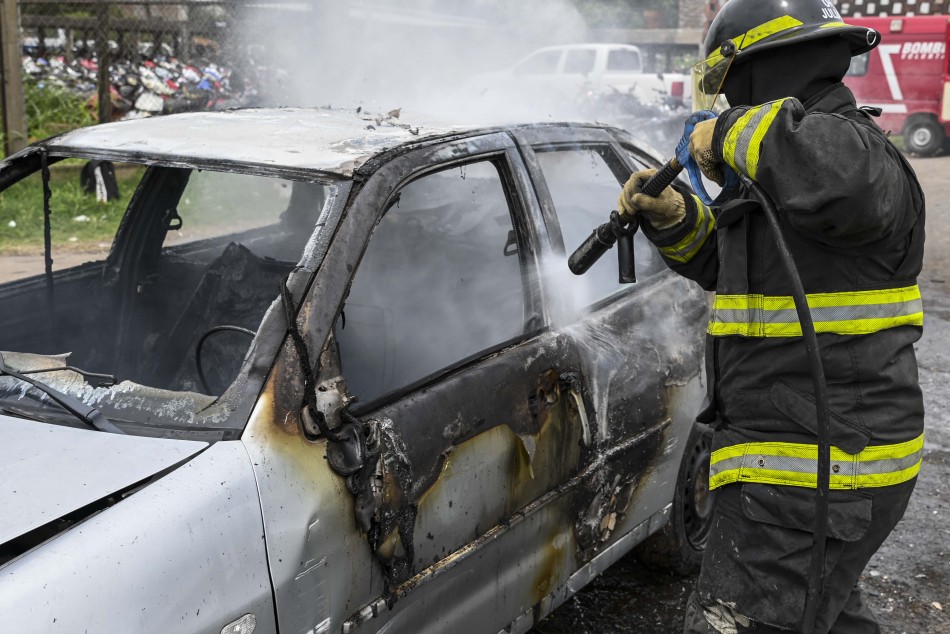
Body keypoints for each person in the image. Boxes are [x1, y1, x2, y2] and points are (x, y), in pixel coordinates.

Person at [617, 0, 926, 632]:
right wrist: (676, 221)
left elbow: (845, 178)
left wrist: (727, 134)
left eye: (731, 90)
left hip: (820, 469)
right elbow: (738, 273)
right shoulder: (789, 173)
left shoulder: (855, 152)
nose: (726, 104)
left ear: (763, 70)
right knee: (829, 617)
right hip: (801, 462)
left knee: (738, 623)